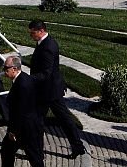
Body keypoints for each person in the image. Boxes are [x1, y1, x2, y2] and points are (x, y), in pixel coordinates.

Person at [28, 20, 86, 158]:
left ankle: (39, 152)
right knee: (61, 119)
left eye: (32, 32)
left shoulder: (47, 47)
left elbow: (46, 73)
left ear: (41, 31)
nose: (31, 35)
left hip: (48, 91)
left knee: (45, 120)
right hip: (49, 90)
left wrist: (29, 79)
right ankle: (77, 146)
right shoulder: (45, 42)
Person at [0, 55, 46, 167]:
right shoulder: (21, 80)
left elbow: (21, 112)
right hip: (26, 125)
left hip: (27, 128)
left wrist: (13, 131)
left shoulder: (23, 84)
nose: (4, 70)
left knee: (33, 154)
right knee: (8, 149)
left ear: (14, 68)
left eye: (6, 68)